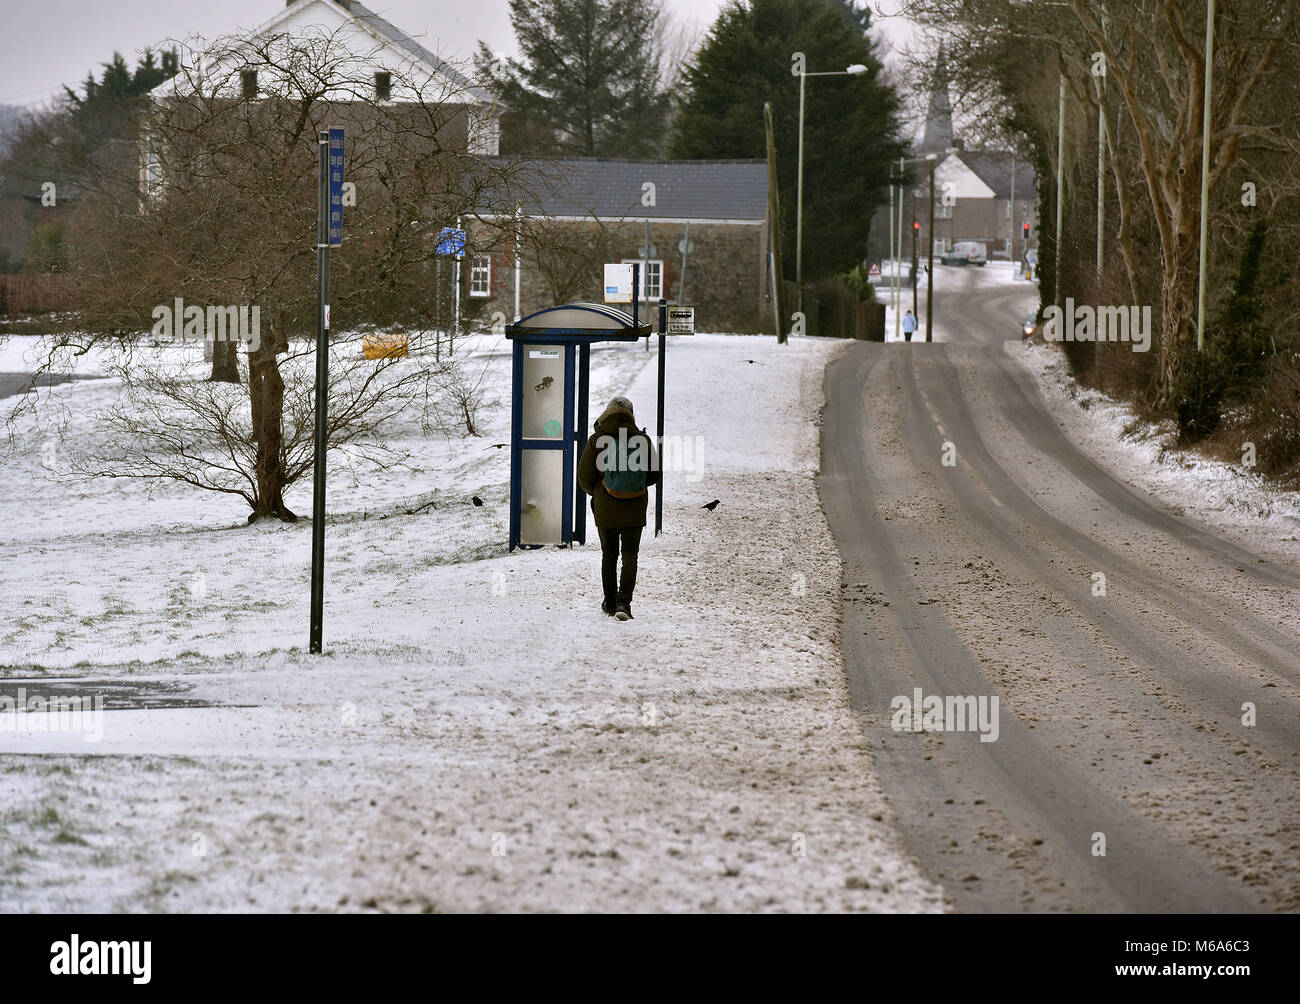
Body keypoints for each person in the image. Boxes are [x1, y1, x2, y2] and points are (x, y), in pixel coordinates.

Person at [578, 396, 660, 620]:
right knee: (630, 554)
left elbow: (584, 477)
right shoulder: (642, 440)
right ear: (631, 414)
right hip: (635, 507)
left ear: (607, 413)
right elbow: (654, 475)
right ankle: (624, 604)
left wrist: (599, 492)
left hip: (605, 508)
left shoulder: (597, 440)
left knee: (609, 555)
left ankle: (610, 603)